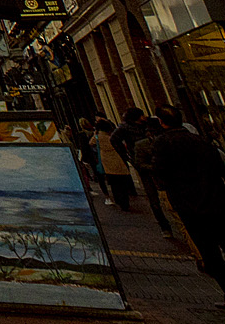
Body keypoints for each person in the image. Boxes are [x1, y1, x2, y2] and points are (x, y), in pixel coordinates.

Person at [138, 108, 225, 297]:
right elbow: (219, 166)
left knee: (209, 253)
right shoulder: (200, 140)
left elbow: (159, 171)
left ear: (161, 122)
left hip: (188, 205)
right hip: (216, 200)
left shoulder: (163, 143)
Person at [96, 117, 136, 210]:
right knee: (122, 181)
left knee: (114, 183)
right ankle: (125, 202)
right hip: (117, 160)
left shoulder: (98, 137)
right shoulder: (111, 137)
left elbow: (91, 143)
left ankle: (119, 200)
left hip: (106, 162)